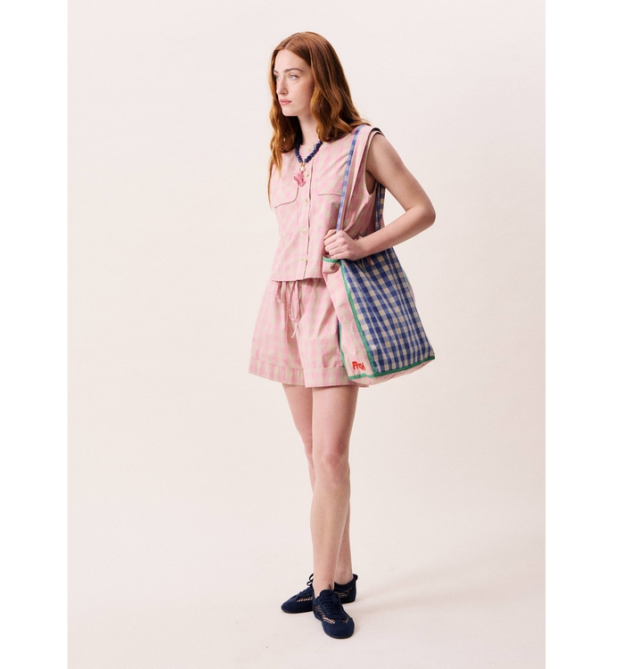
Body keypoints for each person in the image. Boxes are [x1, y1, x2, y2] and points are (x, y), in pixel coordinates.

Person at [248, 32, 436, 639]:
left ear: (320, 78)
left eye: (294, 74)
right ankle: (342, 574)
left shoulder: (363, 144)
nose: (281, 87)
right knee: (313, 454)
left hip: (334, 306)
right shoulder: (282, 153)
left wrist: (361, 245)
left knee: (330, 455)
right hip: (284, 306)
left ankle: (325, 589)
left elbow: (422, 208)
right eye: (277, 75)